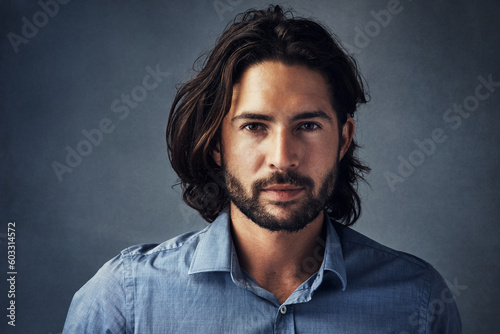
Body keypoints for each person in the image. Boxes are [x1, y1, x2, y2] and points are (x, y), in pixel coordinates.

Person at [63, 5, 461, 333]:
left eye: (308, 126)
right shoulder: (125, 301)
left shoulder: (419, 302)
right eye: (255, 126)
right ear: (217, 143)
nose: (283, 157)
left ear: (343, 139)